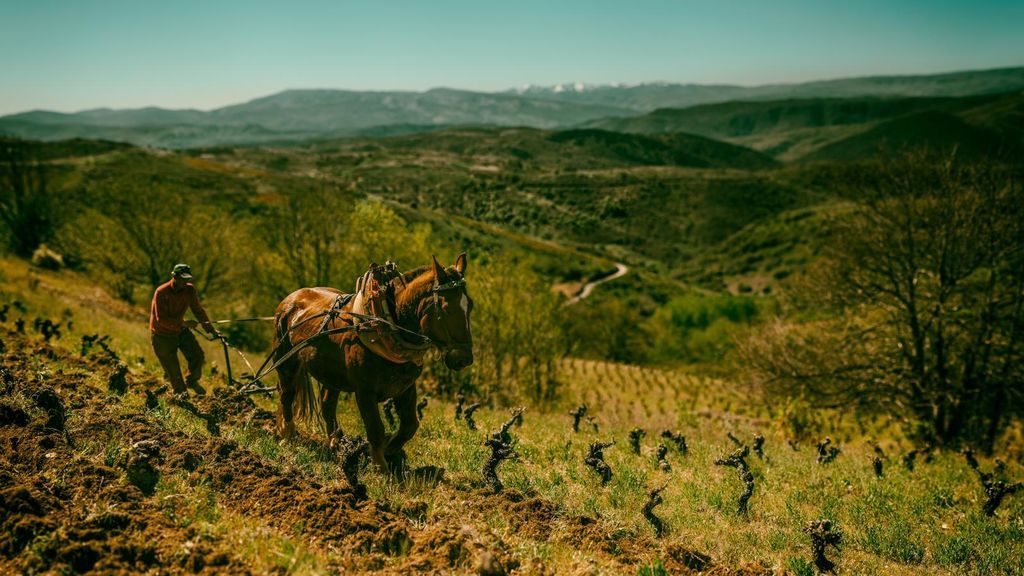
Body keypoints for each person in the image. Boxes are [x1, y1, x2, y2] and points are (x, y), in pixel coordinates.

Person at [149, 263, 220, 396]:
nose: (185, 282)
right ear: (174, 276)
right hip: (162, 336)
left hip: (180, 331)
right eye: (182, 278)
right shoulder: (161, 292)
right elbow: (161, 320)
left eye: (187, 279)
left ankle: (192, 381)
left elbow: (198, 310)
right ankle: (182, 398)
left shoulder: (190, 290)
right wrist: (185, 324)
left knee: (197, 356)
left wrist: (210, 330)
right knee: (175, 375)